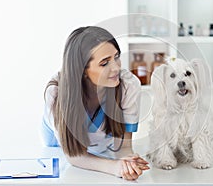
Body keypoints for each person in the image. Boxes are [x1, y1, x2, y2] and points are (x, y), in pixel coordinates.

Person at [41, 26, 149, 180]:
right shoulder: (56, 93)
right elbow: (73, 154)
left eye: (116, 57)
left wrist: (128, 162)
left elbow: (124, 146)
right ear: (83, 69)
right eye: (105, 63)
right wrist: (114, 167)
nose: (116, 68)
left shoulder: (129, 85)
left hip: (101, 146)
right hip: (57, 145)